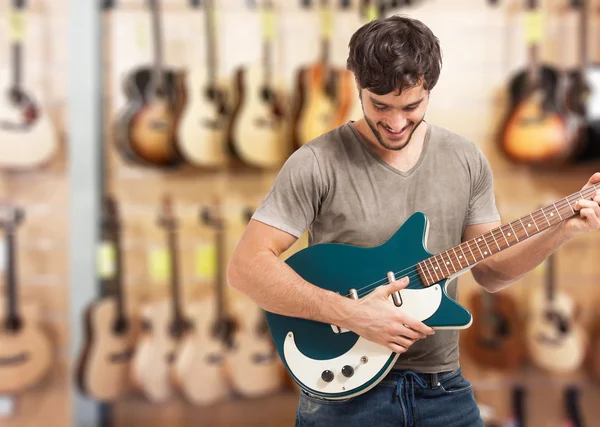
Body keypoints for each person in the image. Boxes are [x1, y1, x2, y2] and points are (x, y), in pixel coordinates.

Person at [226, 15, 600, 427]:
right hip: (345, 398)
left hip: (442, 389)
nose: (396, 122)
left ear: (429, 90)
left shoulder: (465, 158)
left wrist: (561, 229)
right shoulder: (316, 162)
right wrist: (349, 314)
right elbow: (246, 268)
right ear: (358, 85)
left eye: (411, 106)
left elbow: (491, 272)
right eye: (379, 105)